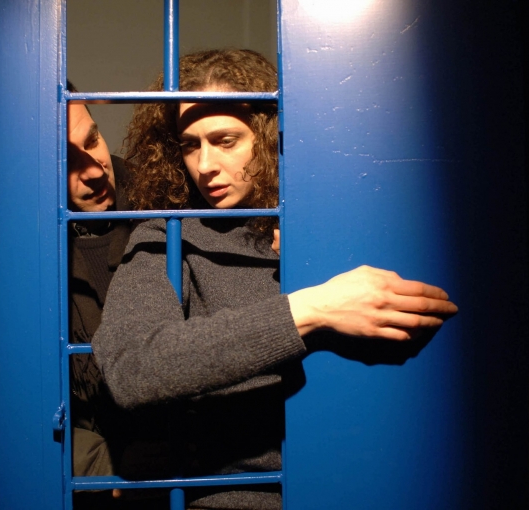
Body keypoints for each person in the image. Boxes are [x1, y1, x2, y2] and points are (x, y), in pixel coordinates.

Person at [92, 49, 458, 509]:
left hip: (359, 475)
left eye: (225, 141)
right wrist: (309, 309)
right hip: (229, 497)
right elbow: (131, 367)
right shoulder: (166, 236)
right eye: (190, 145)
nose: (204, 165)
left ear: (267, 136)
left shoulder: (324, 225)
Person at [65, 80, 133, 483]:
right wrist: (103, 465)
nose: (93, 170)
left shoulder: (170, 200)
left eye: (92, 140)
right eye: (66, 161)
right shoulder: (23, 253)